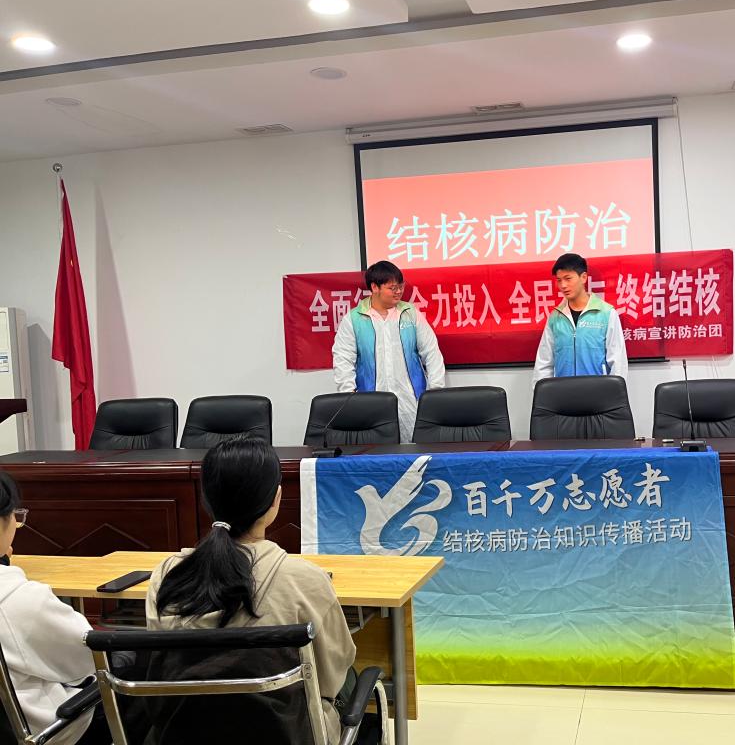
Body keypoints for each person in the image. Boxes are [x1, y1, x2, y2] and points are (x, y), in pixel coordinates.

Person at [146, 436, 356, 744]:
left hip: (183, 734)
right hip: (289, 734)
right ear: (276, 500)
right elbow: (330, 677)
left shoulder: (167, 575)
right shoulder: (307, 580)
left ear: (206, 499)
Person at [0, 471, 110, 744]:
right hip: (45, 732)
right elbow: (85, 660)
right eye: (15, 515)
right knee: (131, 669)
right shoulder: (18, 599)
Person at [332, 260, 445, 442]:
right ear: (374, 287)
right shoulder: (354, 319)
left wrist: (435, 392)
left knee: (416, 449)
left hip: (411, 400)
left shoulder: (410, 313)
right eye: (392, 288)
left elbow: (431, 352)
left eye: (401, 286)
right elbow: (343, 359)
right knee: (376, 451)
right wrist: (349, 396)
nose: (398, 291)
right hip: (370, 401)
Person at [533, 252, 628, 384]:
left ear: (583, 277)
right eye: (559, 280)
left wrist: (615, 392)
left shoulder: (606, 314)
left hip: (597, 391)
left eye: (568, 278)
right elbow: (544, 362)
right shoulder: (555, 317)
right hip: (562, 391)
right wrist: (541, 392)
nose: (563, 285)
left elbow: (618, 361)